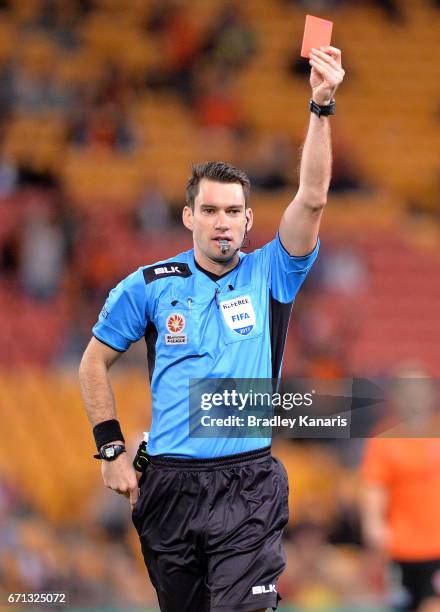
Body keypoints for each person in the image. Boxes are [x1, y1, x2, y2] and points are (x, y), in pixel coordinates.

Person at [79, 46, 345, 612]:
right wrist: (110, 450)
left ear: (249, 220)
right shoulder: (148, 285)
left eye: (233, 211)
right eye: (210, 210)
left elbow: (314, 197)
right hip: (169, 486)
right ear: (189, 216)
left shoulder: (271, 271)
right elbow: (93, 362)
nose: (222, 222)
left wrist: (320, 107)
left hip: (247, 484)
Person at [361, 370, 440, 611]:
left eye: (420, 390)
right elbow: (374, 486)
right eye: (408, 391)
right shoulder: (384, 440)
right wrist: (373, 524)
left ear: (433, 395)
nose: (415, 397)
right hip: (400, 547)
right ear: (396, 396)